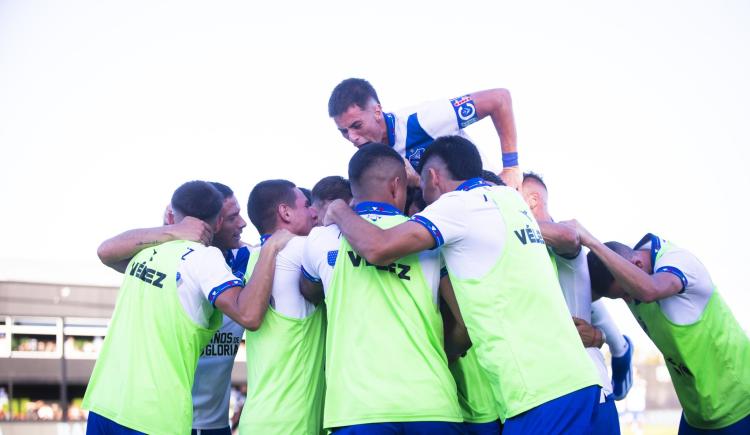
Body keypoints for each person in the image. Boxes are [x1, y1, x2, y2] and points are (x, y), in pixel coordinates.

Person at [323, 136, 601, 434]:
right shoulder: (509, 200)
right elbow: (569, 238)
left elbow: (377, 248)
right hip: (579, 379)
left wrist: (339, 209)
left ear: (432, 177)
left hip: (539, 392)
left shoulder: (456, 207)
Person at [83, 180, 293, 435]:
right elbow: (106, 250)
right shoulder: (190, 256)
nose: (243, 223)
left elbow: (107, 251)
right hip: (159, 417)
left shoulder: (246, 260)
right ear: (214, 224)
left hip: (136, 411)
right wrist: (172, 231)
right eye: (232, 217)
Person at [301, 143, 465, 434]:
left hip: (357, 410)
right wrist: (439, 355)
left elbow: (308, 292)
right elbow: (465, 325)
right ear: (396, 184)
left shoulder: (319, 239)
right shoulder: (427, 240)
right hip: (431, 402)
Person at [579, 224, 750, 434]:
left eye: (626, 293)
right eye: (621, 297)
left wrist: (590, 240)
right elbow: (582, 297)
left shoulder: (678, 262)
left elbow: (651, 289)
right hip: (696, 417)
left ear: (638, 264)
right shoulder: (629, 275)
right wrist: (601, 336)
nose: (629, 300)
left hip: (741, 404)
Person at [521, 172, 621, 434]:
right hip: (550, 398)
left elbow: (570, 238)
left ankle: (624, 349)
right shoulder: (516, 249)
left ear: (532, 199)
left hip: (589, 396)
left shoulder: (561, 238)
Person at [405, 187, 502, 435]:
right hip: (446, 404)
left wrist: (440, 358)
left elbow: (466, 328)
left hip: (481, 403)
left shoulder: (454, 254)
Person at [237, 179, 326, 435]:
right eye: (307, 205)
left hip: (259, 420)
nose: (314, 212)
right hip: (290, 425)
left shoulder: (252, 256)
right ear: (285, 212)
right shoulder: (301, 248)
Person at [327, 78, 522, 190]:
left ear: (377, 111)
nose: (352, 138)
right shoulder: (370, 158)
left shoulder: (421, 119)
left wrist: (511, 166)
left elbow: (499, 99)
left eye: (357, 125)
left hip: (490, 199)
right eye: (344, 131)